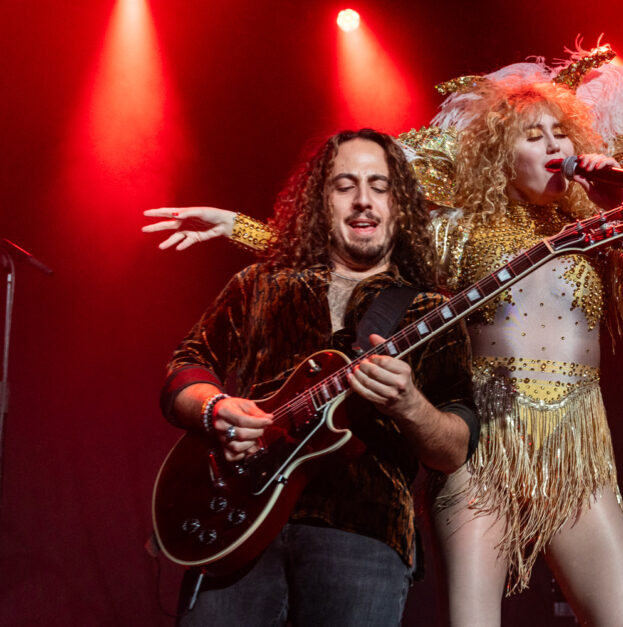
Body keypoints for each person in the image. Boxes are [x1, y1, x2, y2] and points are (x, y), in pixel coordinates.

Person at [146, 44, 623, 627]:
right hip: (480, 452)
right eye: (534, 136)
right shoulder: (455, 227)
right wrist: (240, 227)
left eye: (561, 132)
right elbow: (349, 245)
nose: (555, 146)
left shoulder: (594, 229)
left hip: (574, 449)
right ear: (502, 156)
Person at [158, 128, 478, 626]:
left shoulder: (426, 312)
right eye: (344, 185)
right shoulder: (259, 283)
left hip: (362, 531)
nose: (364, 200)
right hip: (234, 520)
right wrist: (215, 410)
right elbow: (186, 366)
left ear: (401, 204)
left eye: (380, 185)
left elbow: (454, 449)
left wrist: (411, 406)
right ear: (319, 201)